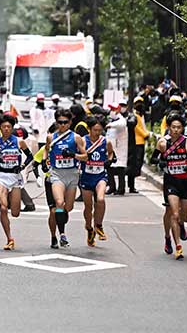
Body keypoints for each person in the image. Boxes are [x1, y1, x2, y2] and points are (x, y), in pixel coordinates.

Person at [154, 113, 187, 260]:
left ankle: (181, 225)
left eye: (179, 127)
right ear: (168, 128)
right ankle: (176, 244)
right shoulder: (162, 143)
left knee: (185, 216)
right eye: (173, 127)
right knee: (174, 213)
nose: (176, 130)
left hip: (186, 183)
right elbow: (154, 157)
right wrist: (161, 163)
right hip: (171, 182)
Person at [44, 108, 85, 248]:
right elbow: (46, 150)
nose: (62, 125)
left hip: (72, 175)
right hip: (57, 174)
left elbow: (85, 156)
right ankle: (59, 235)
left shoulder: (76, 138)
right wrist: (45, 162)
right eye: (60, 122)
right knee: (59, 203)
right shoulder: (51, 137)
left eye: (65, 122)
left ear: (70, 122)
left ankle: (60, 229)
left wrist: (73, 155)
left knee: (68, 207)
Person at [0, 113, 32, 250]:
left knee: (15, 212)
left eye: (9, 127)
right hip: (1, 176)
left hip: (15, 177)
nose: (6, 129)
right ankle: (9, 238)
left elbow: (30, 157)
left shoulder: (19, 141)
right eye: (4, 127)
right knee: (3, 208)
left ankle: (10, 198)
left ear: (12, 127)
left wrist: (21, 166)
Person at [75, 116, 114, 247]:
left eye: (100, 130)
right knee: (88, 206)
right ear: (89, 129)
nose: (97, 133)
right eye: (95, 130)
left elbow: (110, 153)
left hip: (100, 175)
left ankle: (99, 225)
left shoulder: (105, 141)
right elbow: (79, 156)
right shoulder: (83, 141)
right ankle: (89, 228)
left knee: (101, 199)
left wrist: (109, 160)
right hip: (86, 176)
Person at [105, 104, 128, 195]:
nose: (111, 111)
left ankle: (121, 188)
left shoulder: (121, 120)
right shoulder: (112, 120)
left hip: (120, 148)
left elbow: (121, 124)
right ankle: (112, 187)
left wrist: (110, 125)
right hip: (111, 148)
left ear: (117, 110)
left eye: (113, 109)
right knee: (109, 168)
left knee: (120, 169)